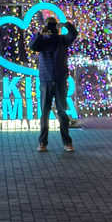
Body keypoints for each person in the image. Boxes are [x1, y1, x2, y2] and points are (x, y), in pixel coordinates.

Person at [29, 15, 78, 152]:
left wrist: (64, 25)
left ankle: (49, 143)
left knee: (53, 112)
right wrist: (41, 34)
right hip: (53, 79)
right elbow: (32, 46)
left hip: (54, 80)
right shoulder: (46, 40)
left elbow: (73, 34)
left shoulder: (61, 40)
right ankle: (58, 143)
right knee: (54, 111)